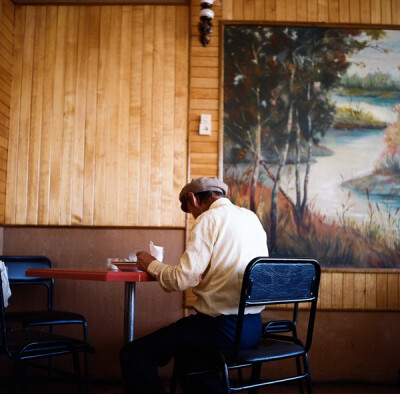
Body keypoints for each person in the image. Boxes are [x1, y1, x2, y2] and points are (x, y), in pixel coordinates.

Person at [120, 176, 269, 394]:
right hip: (253, 327)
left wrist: (151, 264)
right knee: (190, 359)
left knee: (134, 353)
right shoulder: (251, 218)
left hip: (220, 328)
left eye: (190, 210)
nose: (193, 216)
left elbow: (182, 280)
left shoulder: (208, 219)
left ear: (193, 199)